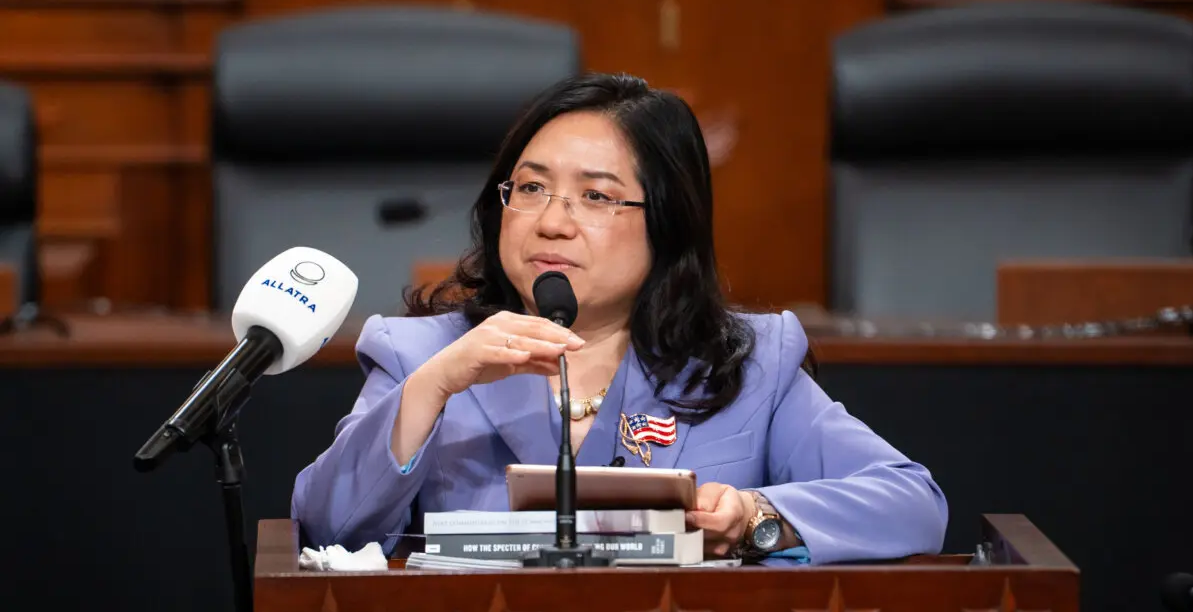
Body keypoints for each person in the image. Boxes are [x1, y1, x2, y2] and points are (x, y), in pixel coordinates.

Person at [291, 72, 948, 565]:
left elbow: (913, 505)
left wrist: (756, 516)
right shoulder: (421, 356)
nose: (551, 221)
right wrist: (432, 389)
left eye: (596, 196)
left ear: (666, 222)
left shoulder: (747, 364)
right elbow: (324, 532)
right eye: (530, 188)